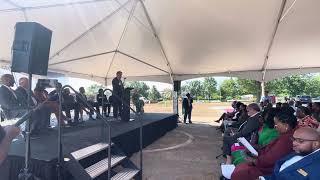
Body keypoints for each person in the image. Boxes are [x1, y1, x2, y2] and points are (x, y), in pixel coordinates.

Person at [230, 111, 297, 180]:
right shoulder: (286, 136)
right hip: (264, 163)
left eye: (276, 124)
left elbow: (270, 159)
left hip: (268, 170)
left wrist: (254, 161)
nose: (275, 126)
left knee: (240, 172)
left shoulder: (285, 140)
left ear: (286, 126)